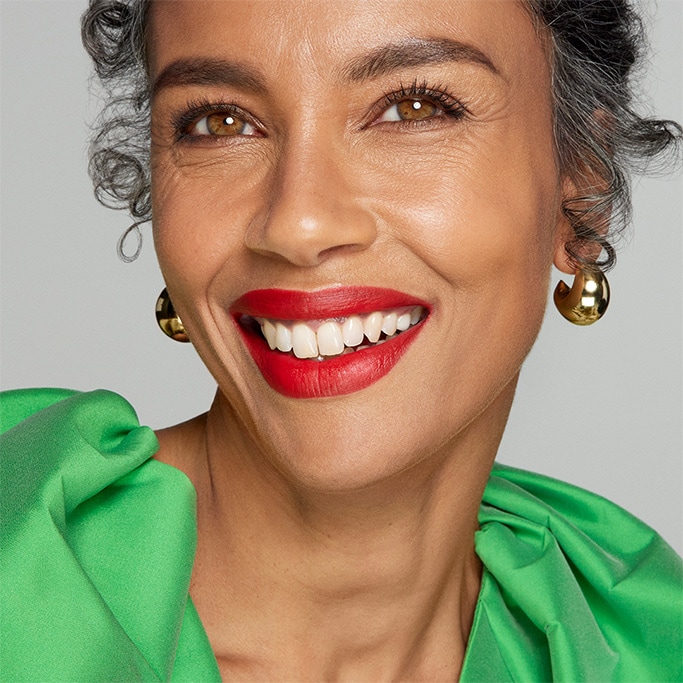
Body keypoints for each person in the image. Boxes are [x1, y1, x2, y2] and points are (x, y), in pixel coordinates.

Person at [1, 0, 681, 680]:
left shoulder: (642, 643)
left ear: (580, 191)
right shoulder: (20, 553)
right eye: (219, 121)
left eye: (414, 108)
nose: (298, 223)